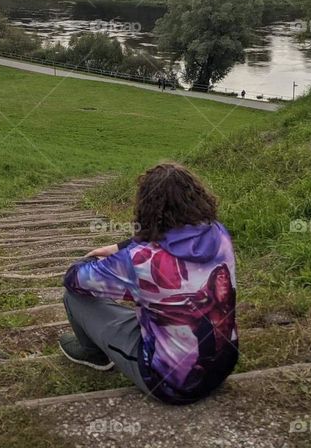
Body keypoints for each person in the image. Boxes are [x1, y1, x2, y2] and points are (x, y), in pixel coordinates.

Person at [61, 163, 239, 404]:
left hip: (170, 382)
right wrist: (121, 247)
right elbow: (168, 238)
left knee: (74, 297)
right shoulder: (218, 234)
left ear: (147, 208)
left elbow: (74, 280)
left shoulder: (140, 261)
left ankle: (94, 354)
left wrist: (94, 260)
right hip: (224, 364)